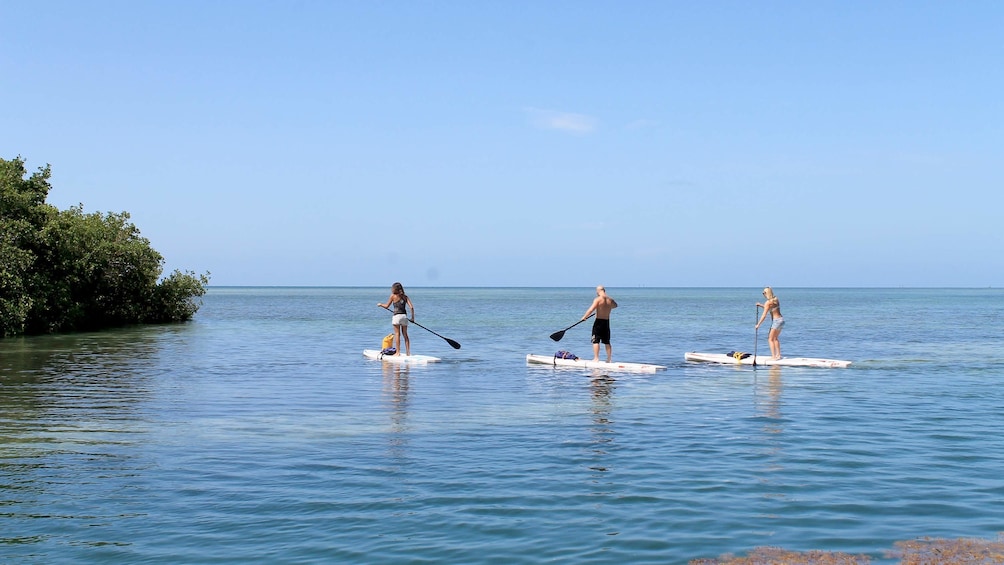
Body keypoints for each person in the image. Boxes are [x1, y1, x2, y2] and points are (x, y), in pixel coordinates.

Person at [582, 285, 618, 362]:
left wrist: (584, 317)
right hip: (606, 322)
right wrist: (605, 308)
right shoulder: (610, 299)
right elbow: (615, 306)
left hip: (598, 322)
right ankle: (609, 359)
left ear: (598, 291)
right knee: (607, 341)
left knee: (595, 340)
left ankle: (596, 358)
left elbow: (591, 309)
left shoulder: (598, 299)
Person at [377, 282, 414, 356]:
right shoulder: (405, 297)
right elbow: (411, 307)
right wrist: (412, 318)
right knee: (405, 335)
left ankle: (398, 352)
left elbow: (387, 306)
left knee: (397, 334)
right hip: (404, 316)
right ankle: (408, 353)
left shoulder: (393, 296)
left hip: (396, 316)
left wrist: (381, 304)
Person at [756, 286, 784, 360]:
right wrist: (761, 305)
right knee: (775, 338)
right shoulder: (775, 299)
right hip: (781, 320)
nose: (763, 295)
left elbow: (764, 315)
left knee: (770, 339)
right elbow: (769, 308)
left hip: (776, 321)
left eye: (763, 293)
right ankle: (778, 355)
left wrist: (758, 325)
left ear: (766, 293)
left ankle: (773, 357)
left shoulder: (768, 302)